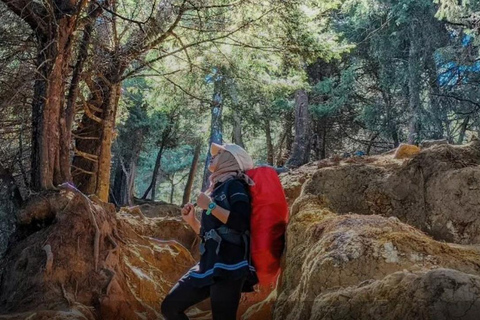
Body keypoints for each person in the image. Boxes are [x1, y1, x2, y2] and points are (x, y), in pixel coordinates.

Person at [161, 143, 259, 320]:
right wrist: (192, 221)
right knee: (170, 307)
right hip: (209, 264)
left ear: (231, 159)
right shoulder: (216, 189)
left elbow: (241, 223)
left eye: (220, 153)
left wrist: (211, 206)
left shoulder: (235, 185)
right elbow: (212, 234)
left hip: (230, 265)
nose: (214, 155)